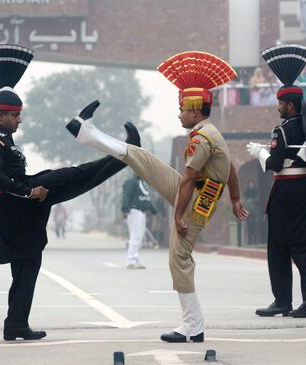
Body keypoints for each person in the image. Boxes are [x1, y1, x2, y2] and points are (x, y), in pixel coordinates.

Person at [67, 51, 249, 343]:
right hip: (193, 193)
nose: (179, 114)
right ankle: (86, 133)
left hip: (196, 204)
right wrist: (237, 199)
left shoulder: (202, 139)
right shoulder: (210, 133)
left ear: (195, 109)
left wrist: (177, 216)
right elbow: (230, 167)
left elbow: (189, 178)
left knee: (179, 258)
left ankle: (193, 326)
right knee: (142, 158)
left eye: (182, 109)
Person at [0, 44, 139, 341]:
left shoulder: (0, 137)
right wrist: (28, 192)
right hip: (15, 205)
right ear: (0, 117)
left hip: (16, 206)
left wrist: (28, 189)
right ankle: (122, 154)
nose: (19, 120)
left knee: (28, 262)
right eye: (15, 116)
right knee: (70, 178)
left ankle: (16, 324)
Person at [247, 44, 306, 318]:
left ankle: (282, 300)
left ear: (290, 105)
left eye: (280, 102)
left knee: (279, 247)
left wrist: (260, 153)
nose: (277, 106)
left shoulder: (283, 129)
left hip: (287, 191)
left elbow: (275, 164)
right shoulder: (303, 127)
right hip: (303, 189)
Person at [121, 174, 157, 269]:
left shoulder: (143, 184)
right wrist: (125, 210)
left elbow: (147, 200)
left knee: (139, 238)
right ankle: (131, 261)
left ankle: (135, 260)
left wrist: (154, 211)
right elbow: (126, 196)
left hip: (142, 213)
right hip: (134, 211)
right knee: (135, 237)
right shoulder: (131, 182)